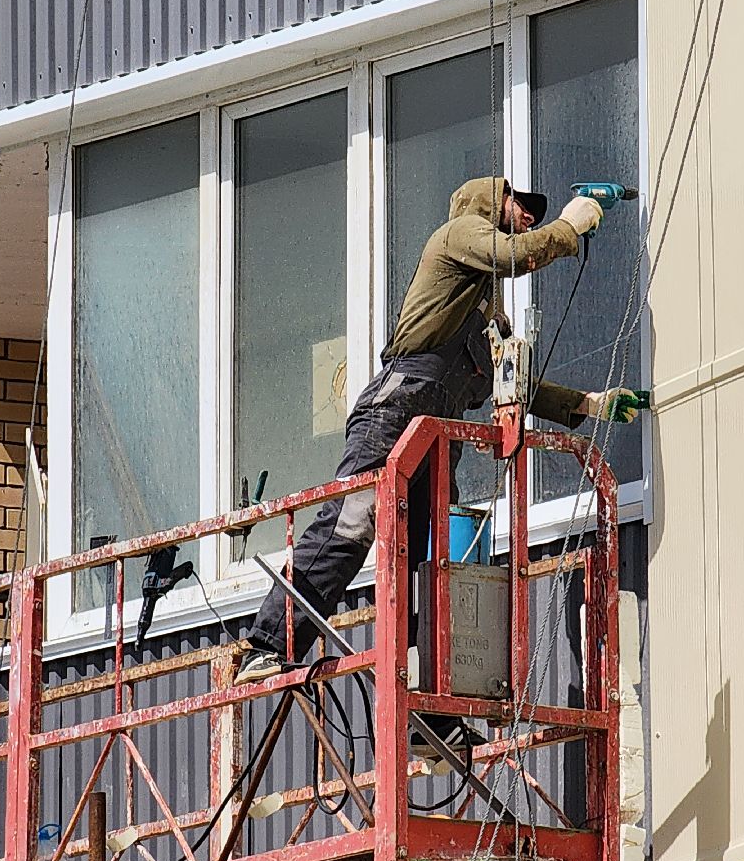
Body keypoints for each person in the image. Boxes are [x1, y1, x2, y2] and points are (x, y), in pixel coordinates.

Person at [235, 177, 642, 750]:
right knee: (350, 528)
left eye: (534, 211)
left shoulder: (480, 316)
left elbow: (513, 382)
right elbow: (520, 254)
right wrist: (570, 226)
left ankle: (424, 710)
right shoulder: (458, 236)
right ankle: (268, 643)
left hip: (431, 437)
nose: (526, 215)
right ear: (487, 202)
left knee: (425, 566)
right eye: (518, 205)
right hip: (395, 410)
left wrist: (587, 404)